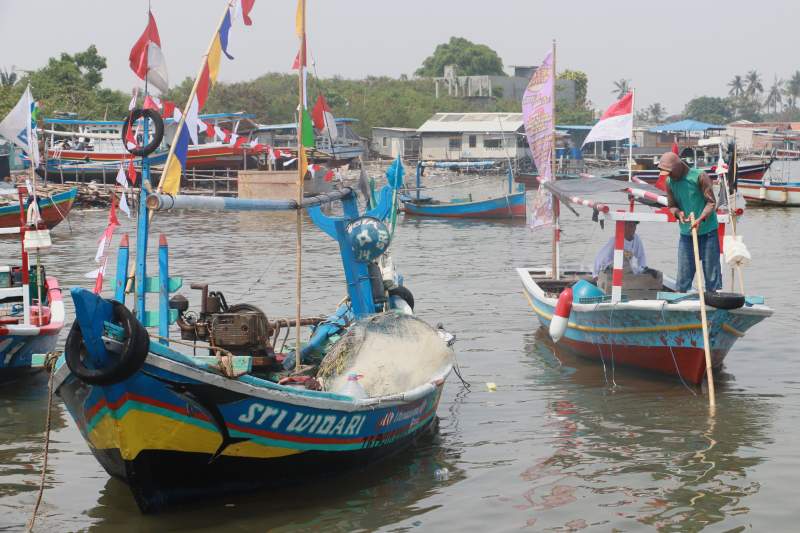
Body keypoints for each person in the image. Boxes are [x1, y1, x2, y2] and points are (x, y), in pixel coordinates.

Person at [658, 151, 721, 292]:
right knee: (683, 278)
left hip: (707, 232)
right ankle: (681, 305)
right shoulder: (669, 182)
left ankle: (714, 304)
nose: (669, 176)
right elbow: (672, 205)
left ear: (679, 167)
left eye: (670, 172)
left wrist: (699, 219)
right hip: (686, 234)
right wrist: (678, 213)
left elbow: (711, 203)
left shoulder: (699, 176)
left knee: (711, 276)